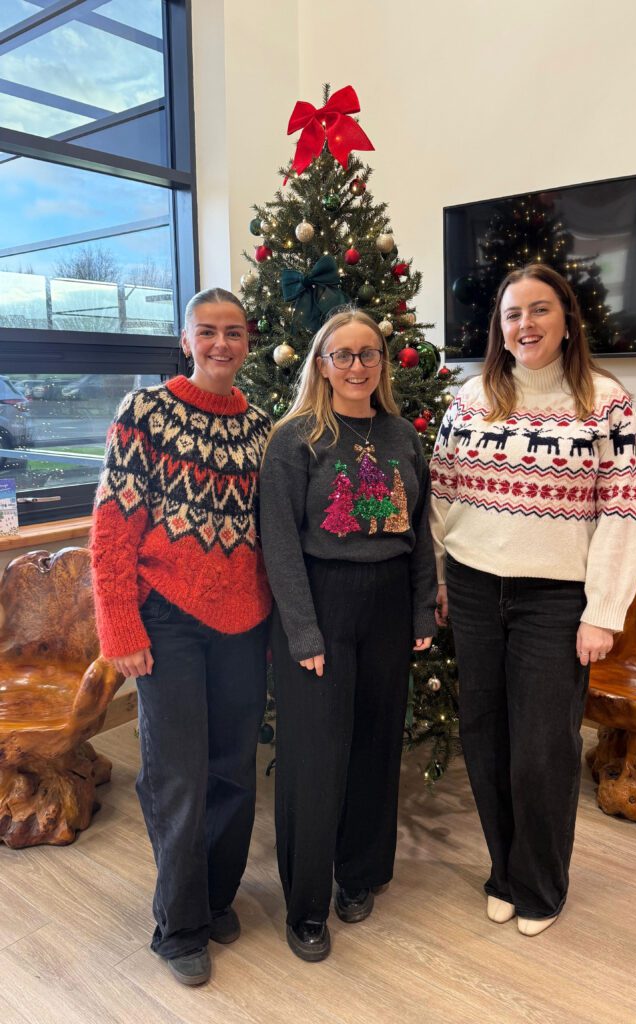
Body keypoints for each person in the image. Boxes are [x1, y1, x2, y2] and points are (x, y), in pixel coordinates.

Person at [430, 264, 636, 936]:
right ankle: (504, 872)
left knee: (542, 749)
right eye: (512, 314)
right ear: (499, 329)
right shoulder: (471, 399)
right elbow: (440, 493)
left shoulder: (605, 402)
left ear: (566, 319)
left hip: (554, 599)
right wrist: (439, 577)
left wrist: (602, 612)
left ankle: (540, 885)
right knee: (485, 737)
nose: (525, 324)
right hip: (472, 587)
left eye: (539, 309)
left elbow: (621, 511)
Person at [90, 287, 272, 985]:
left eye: (234, 331)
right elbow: (112, 530)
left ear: (247, 341)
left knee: (232, 772)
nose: (221, 343)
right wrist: (120, 625)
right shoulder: (144, 413)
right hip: (166, 621)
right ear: (185, 340)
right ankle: (179, 925)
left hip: (244, 622)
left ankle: (216, 897)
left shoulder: (261, 427)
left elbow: (270, 534)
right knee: (175, 776)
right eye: (207, 331)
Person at [259, 308, 437, 962]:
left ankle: (359, 872)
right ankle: (306, 905)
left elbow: (419, 530)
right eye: (343, 355)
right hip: (321, 602)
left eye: (368, 354)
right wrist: (303, 632)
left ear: (382, 364)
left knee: (375, 745)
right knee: (315, 756)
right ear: (322, 364)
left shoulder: (401, 435)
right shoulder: (295, 439)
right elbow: (279, 542)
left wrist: (422, 611)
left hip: (388, 603)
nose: (357, 366)